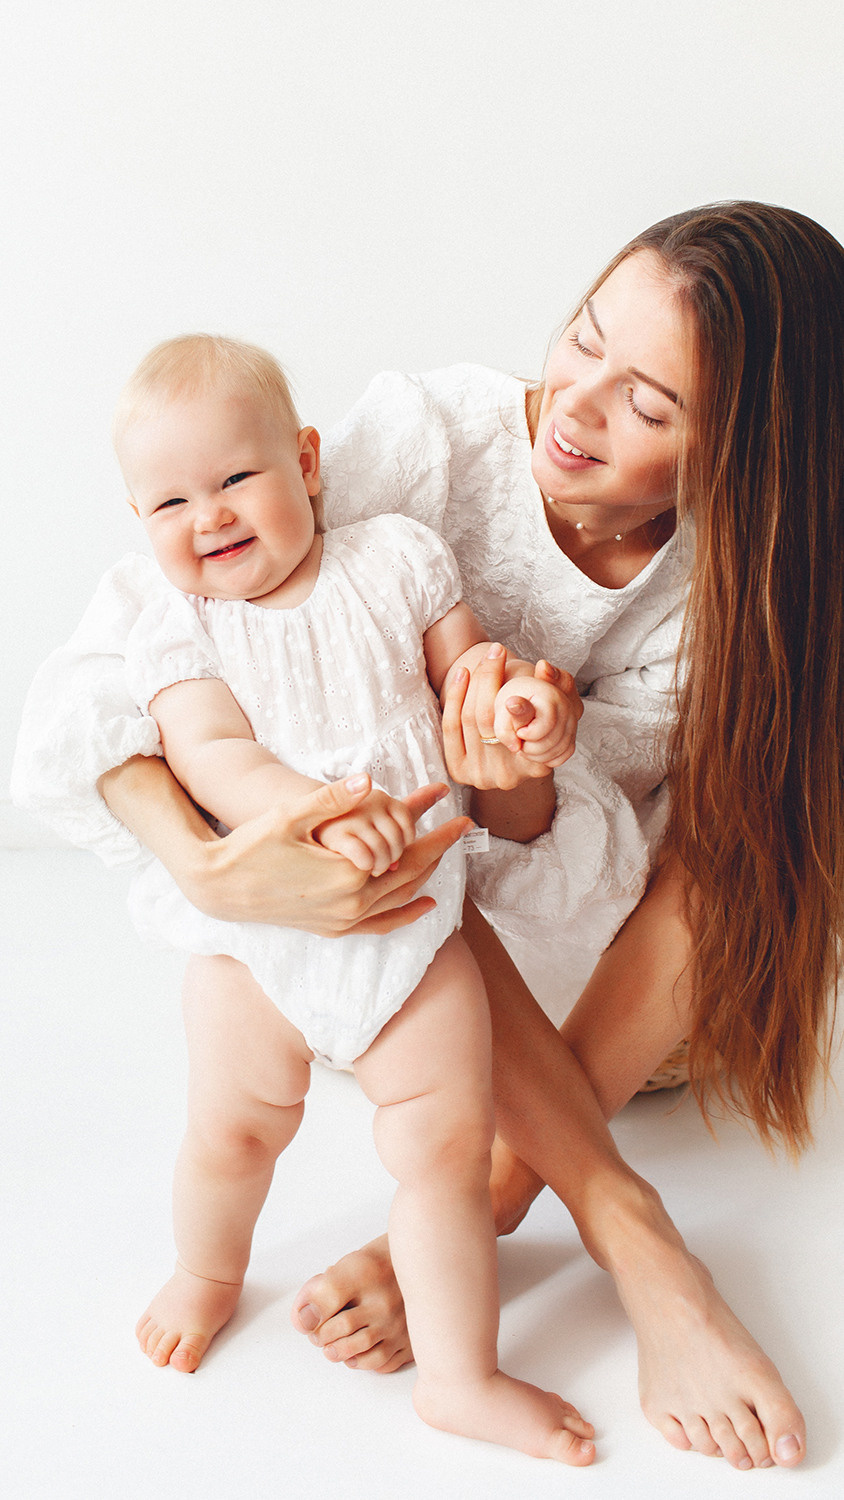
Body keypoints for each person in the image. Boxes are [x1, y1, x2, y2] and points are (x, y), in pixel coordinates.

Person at [14, 201, 841, 1472]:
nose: (575, 407)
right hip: (350, 937)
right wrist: (205, 860)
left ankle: (516, 1200)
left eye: (648, 406)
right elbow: (126, 649)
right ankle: (615, 1223)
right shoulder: (433, 443)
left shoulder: (730, 591)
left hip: (591, 991)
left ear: (739, 455)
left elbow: (572, 863)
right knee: (380, 927)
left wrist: (513, 781)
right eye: (583, 338)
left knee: (762, 814)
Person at [101, 334, 592, 1464]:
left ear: (308, 461)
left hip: (414, 931)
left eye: (235, 477)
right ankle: (207, 1272)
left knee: (445, 1155)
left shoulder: (397, 560)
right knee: (232, 1132)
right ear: (139, 521)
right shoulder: (177, 625)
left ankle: (460, 1378)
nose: (209, 516)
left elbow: (465, 676)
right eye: (169, 502)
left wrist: (511, 705)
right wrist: (312, 810)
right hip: (258, 945)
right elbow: (213, 755)